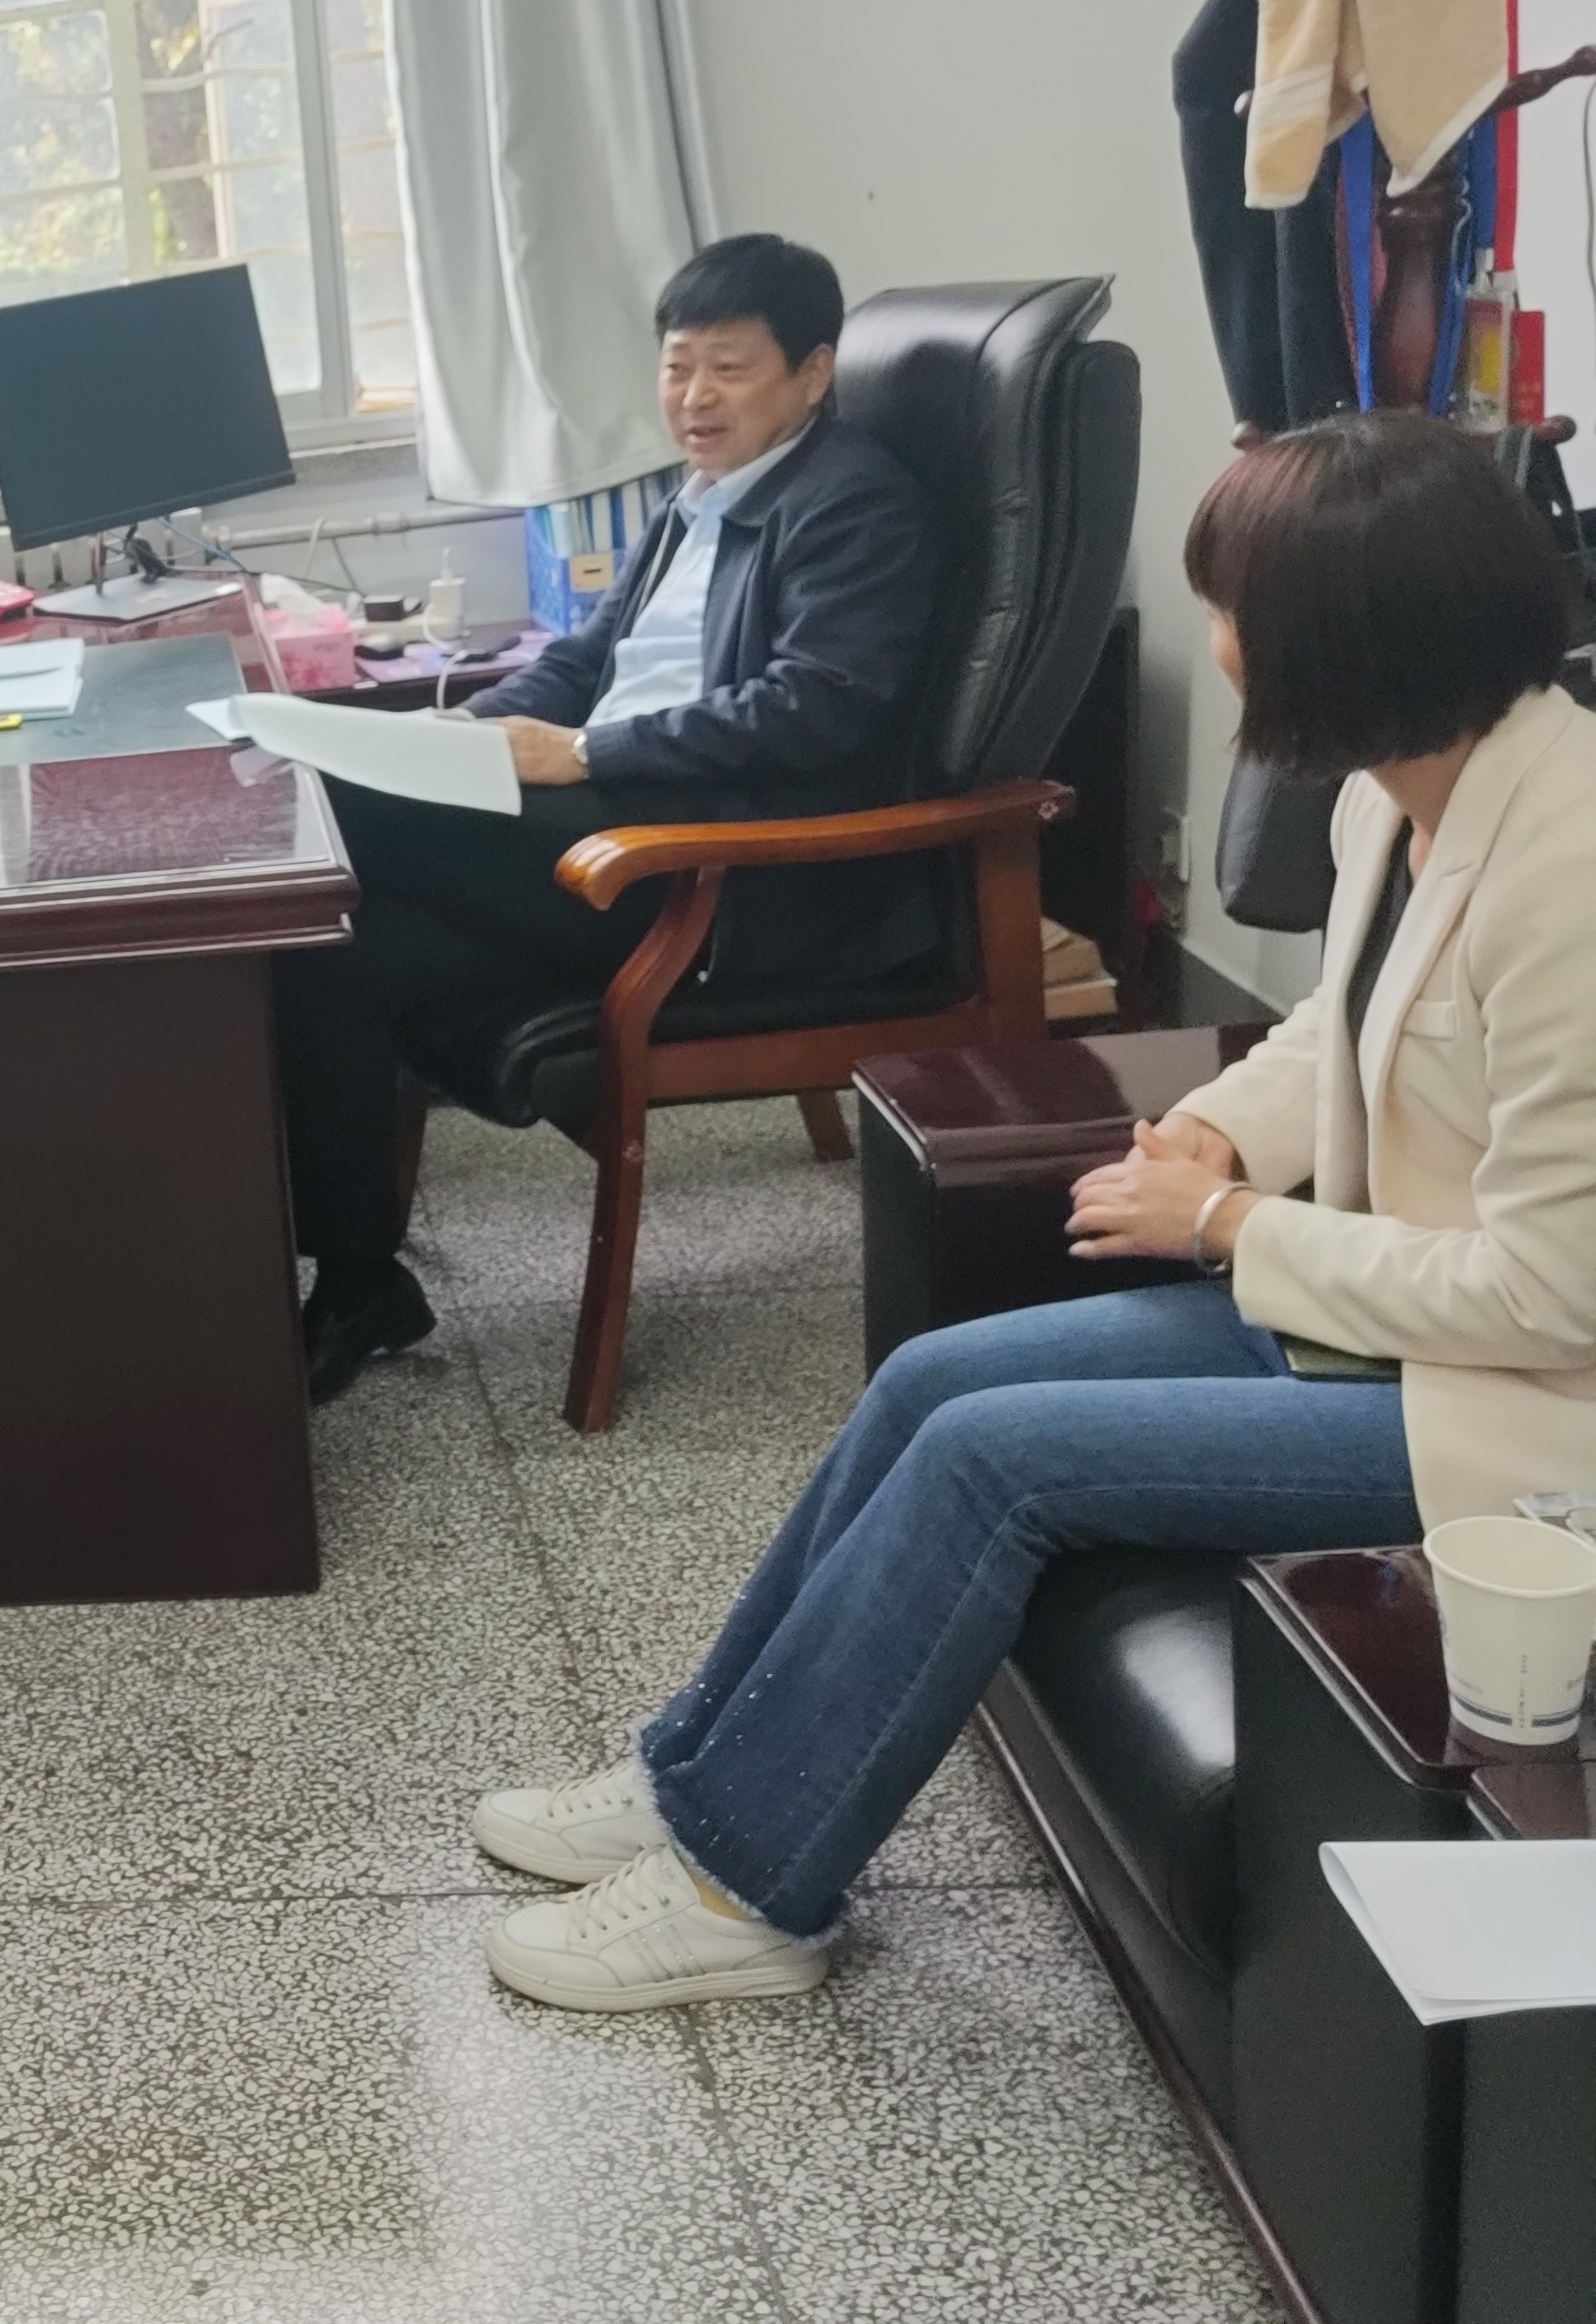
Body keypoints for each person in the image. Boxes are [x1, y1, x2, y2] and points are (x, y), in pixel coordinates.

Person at [466, 409, 1596, 2009]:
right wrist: (1212, 1128)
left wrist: (1227, 1230)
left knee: (997, 1460)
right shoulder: (1397, 791)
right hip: (1387, 1328)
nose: (1218, 647)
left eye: (1232, 613)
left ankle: (746, 1890)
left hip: (1527, 1415)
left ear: (1345, 641)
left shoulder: (1571, 871)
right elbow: (1335, 1029)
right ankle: (692, 1768)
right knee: (934, 1379)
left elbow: (1555, 1292)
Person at [276, 234, 940, 1397]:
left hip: (703, 875)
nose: (693, 398)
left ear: (813, 372)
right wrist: (464, 735)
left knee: (319, 798)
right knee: (337, 944)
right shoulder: (700, 496)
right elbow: (586, 659)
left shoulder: (853, 505)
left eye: (728, 368)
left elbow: (818, 708)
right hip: (606, 824)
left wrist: (585, 750)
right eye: (677, 368)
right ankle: (357, 1279)